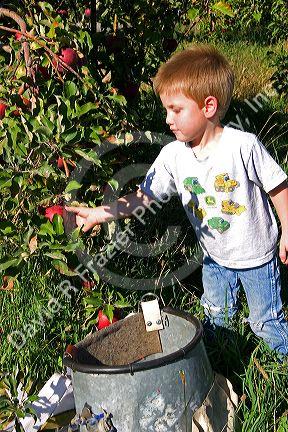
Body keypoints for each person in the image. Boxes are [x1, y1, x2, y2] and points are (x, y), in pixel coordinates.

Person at [65, 44, 288, 356]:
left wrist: (286, 230)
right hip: (214, 257)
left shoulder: (242, 146)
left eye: (176, 109)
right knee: (215, 317)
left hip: (256, 258)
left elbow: (277, 185)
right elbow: (143, 197)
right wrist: (100, 214)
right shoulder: (173, 155)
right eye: (166, 109)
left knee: (264, 323)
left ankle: (279, 368)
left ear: (208, 107)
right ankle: (214, 364)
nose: (168, 119)